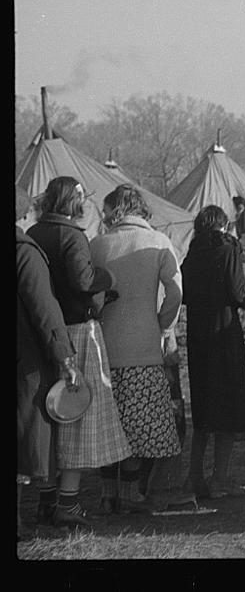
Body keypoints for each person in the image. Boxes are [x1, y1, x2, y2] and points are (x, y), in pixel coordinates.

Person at [27, 177, 132, 527]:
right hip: (78, 334)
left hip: (46, 334)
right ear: (72, 201)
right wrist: (109, 280)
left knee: (49, 416)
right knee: (76, 416)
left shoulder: (36, 232)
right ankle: (68, 506)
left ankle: (47, 499)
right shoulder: (71, 235)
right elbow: (83, 280)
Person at [90, 185, 195, 513]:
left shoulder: (96, 245)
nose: (104, 216)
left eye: (106, 210)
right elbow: (176, 293)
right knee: (137, 426)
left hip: (103, 348)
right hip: (143, 347)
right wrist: (162, 323)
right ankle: (131, 494)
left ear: (116, 210)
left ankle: (108, 496)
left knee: (109, 424)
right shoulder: (158, 242)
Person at [16, 185, 81, 537]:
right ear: (24, 214)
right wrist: (66, 357)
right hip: (22, 360)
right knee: (20, 437)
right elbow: (44, 310)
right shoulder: (23, 251)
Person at [181, 205, 245, 498]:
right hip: (224, 331)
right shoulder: (228, 250)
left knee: (203, 410)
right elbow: (237, 292)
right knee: (229, 407)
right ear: (223, 225)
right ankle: (220, 478)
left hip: (198, 334)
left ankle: (194, 477)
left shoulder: (190, 256)